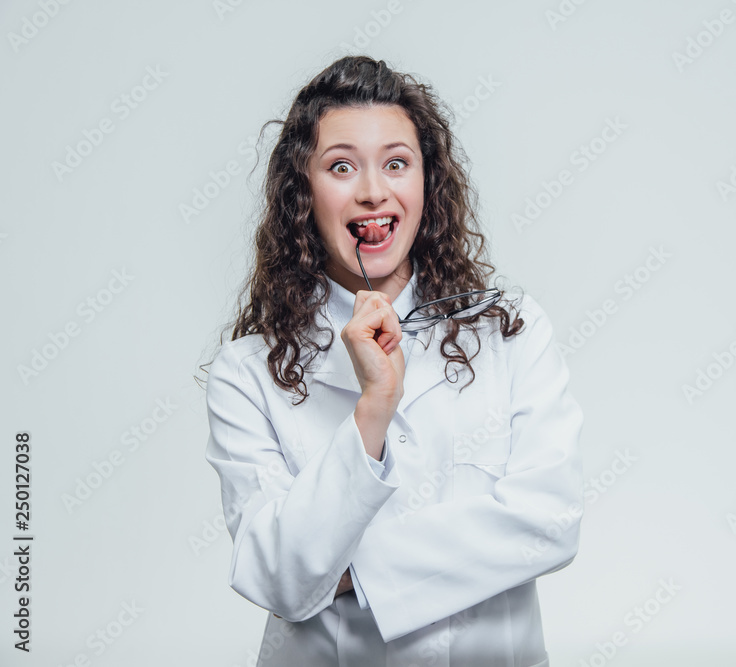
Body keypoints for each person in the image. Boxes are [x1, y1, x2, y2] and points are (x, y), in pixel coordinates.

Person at [203, 55, 583, 666]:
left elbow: (550, 521)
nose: (373, 191)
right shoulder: (246, 373)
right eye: (341, 166)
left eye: (396, 163)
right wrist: (373, 409)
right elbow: (279, 581)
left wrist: (346, 570)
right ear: (303, 193)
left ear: (427, 183)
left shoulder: (511, 331)